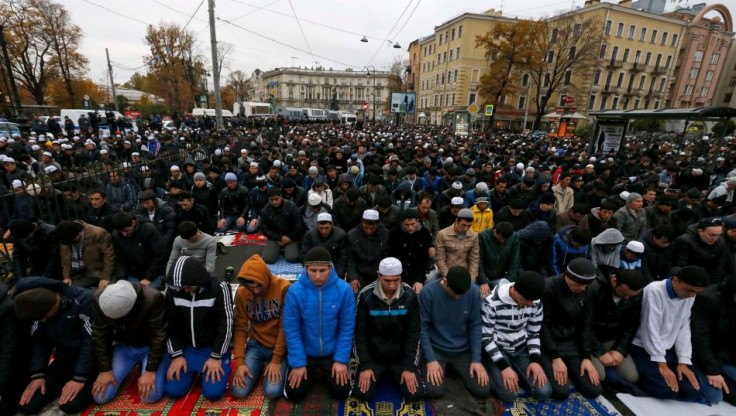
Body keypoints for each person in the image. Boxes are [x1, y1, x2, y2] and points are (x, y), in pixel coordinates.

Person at [629, 266, 721, 404]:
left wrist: (683, 361)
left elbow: (684, 327)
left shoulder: (689, 296)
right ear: (676, 280)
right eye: (689, 290)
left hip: (667, 350)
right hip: (643, 347)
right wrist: (662, 365)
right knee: (668, 391)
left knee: (694, 390)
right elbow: (650, 329)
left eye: (696, 292)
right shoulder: (655, 290)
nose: (691, 295)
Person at [12, 277, 96, 415]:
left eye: (43, 317)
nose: (43, 320)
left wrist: (80, 378)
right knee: (27, 405)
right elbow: (39, 343)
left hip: (90, 362)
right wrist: (37, 374)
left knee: (70, 406)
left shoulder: (84, 300)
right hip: (62, 361)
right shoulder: (38, 307)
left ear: (51, 307)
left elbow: (90, 342)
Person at [283, 247, 356, 402]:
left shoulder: (344, 290)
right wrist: (298, 363)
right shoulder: (294, 291)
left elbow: (347, 328)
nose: (317, 276)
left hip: (332, 352)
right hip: (306, 352)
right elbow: (291, 329)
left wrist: (341, 360)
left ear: (330, 268)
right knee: (294, 394)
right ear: (306, 268)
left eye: (322, 270)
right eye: (313, 270)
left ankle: (325, 371)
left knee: (342, 392)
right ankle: (309, 371)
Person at [352, 257, 425, 402]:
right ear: (379, 275)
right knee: (362, 394)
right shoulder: (366, 296)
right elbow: (359, 334)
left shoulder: (410, 296)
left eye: (396, 280)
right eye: (387, 280)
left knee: (415, 395)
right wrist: (365, 365)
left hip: (400, 357)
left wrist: (409, 366)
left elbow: (414, 333)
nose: (392, 285)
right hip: (374, 357)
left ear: (401, 275)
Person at [164, 256, 233, 401]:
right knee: (173, 391)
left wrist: (216, 356)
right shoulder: (174, 290)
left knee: (213, 393)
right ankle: (192, 369)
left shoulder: (219, 287)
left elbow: (226, 323)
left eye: (188, 286)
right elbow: (170, 324)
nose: (185, 290)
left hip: (212, 349)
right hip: (188, 348)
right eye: (182, 287)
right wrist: (176, 355)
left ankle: (216, 365)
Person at [91, 280, 169, 404]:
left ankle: (153, 366)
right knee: (100, 396)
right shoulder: (99, 299)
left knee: (150, 396)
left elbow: (159, 335)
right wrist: (105, 369)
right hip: (124, 346)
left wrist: (150, 370)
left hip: (150, 347)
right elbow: (100, 334)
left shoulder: (153, 298)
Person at [420, 265, 490, 398]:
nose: (458, 297)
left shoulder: (473, 291)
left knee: (483, 389)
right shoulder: (428, 293)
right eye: (455, 293)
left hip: (462, 350)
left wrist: (476, 360)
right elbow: (423, 328)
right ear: (445, 282)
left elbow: (475, 325)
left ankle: (454, 370)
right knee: (434, 391)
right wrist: (431, 360)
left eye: (462, 293)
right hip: (437, 349)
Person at [481, 271, 552, 402]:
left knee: (544, 392)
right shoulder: (491, 302)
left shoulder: (535, 301)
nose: (531, 304)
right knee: (509, 395)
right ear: (516, 292)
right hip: (498, 349)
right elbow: (486, 337)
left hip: (521, 349)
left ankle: (515, 375)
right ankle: (490, 368)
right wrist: (504, 367)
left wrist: (535, 361)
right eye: (528, 300)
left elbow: (533, 333)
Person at [540, 258, 603, 400]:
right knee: (560, 392)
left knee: (594, 390)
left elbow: (586, 324)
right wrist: (555, 357)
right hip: (549, 344)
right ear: (568, 276)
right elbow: (543, 326)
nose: (583, 288)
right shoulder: (549, 287)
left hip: (572, 343)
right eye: (580, 284)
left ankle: (570, 370)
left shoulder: (588, 289)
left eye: (586, 285)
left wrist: (586, 356)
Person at [231, 254, 291, 400]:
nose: (256, 290)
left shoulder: (283, 287)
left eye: (258, 285)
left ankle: (282, 365)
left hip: (279, 346)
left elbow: (286, 327)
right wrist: (239, 363)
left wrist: (276, 359)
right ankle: (258, 367)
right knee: (239, 391)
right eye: (251, 287)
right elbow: (240, 328)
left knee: (272, 391)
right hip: (256, 344)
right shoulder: (242, 293)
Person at [590, 268, 645, 394]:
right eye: (624, 293)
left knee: (631, 377)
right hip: (591, 341)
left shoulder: (635, 294)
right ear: (614, 281)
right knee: (599, 376)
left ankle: (610, 369)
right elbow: (584, 325)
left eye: (631, 296)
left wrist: (620, 350)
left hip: (612, 339)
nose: (627, 298)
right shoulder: (595, 288)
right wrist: (600, 352)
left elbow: (631, 326)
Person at [691, 277, 736, 405]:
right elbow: (699, 338)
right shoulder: (708, 299)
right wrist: (712, 370)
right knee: (713, 396)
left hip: (724, 356)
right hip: (702, 356)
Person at [111, 213, 167, 290]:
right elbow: (119, 258)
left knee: (148, 295)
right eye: (121, 232)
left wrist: (148, 277)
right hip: (132, 274)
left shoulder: (148, 230)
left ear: (133, 223)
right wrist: (121, 278)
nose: (124, 234)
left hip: (154, 274)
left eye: (126, 230)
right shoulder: (116, 236)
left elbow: (159, 255)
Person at [55, 220, 115, 289]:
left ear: (78, 234)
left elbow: (109, 257)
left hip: (99, 272)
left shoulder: (98, 233)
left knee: (107, 291)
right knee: (67, 289)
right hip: (80, 273)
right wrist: (66, 277)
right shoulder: (65, 238)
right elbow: (65, 258)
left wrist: (105, 278)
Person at [671, 217, 729, 284]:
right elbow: (680, 265)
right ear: (700, 231)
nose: (715, 238)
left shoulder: (720, 242)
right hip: (688, 279)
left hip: (709, 278)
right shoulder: (685, 241)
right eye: (712, 235)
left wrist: (711, 285)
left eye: (718, 235)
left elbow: (719, 266)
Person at [389, 209, 434, 293]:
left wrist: (419, 280)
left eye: (413, 224)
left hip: (416, 273)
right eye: (407, 225)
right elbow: (391, 256)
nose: (410, 227)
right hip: (399, 275)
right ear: (402, 223)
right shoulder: (394, 233)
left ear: (417, 221)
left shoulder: (424, 233)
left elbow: (423, 259)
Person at [346, 209, 389, 293]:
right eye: (366, 227)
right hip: (359, 274)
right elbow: (350, 259)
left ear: (377, 224)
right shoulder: (352, 235)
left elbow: (386, 256)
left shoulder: (385, 234)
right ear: (362, 223)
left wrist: (383, 275)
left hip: (378, 274)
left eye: (372, 228)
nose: (369, 231)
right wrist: (353, 277)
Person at [260, 186, 305, 264]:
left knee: (292, 258)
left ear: (281, 197)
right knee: (268, 259)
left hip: (290, 236)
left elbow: (299, 225)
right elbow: (264, 229)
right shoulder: (265, 210)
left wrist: (290, 238)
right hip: (275, 238)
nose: (274, 202)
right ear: (268, 199)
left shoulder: (292, 206)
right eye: (271, 200)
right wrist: (279, 238)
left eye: (276, 199)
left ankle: (284, 248)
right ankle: (280, 248)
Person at [434, 208, 480, 283]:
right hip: (446, 273)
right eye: (463, 225)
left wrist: (471, 280)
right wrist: (448, 277)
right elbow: (440, 259)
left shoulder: (474, 236)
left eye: (469, 226)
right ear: (456, 221)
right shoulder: (443, 234)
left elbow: (474, 259)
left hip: (465, 274)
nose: (466, 228)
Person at [299, 213, 349, 278]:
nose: (324, 231)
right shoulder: (310, 235)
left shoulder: (340, 235)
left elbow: (343, 258)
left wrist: (337, 275)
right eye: (321, 228)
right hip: (315, 268)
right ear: (317, 225)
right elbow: (304, 255)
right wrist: (312, 271)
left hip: (334, 268)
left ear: (332, 224)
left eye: (326, 228)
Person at [478, 221, 520, 292]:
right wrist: (483, 281)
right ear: (495, 231)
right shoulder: (483, 237)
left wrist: (508, 284)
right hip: (484, 277)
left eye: (505, 240)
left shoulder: (514, 238)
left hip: (501, 279)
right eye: (500, 239)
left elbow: (514, 263)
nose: (502, 241)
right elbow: (479, 261)